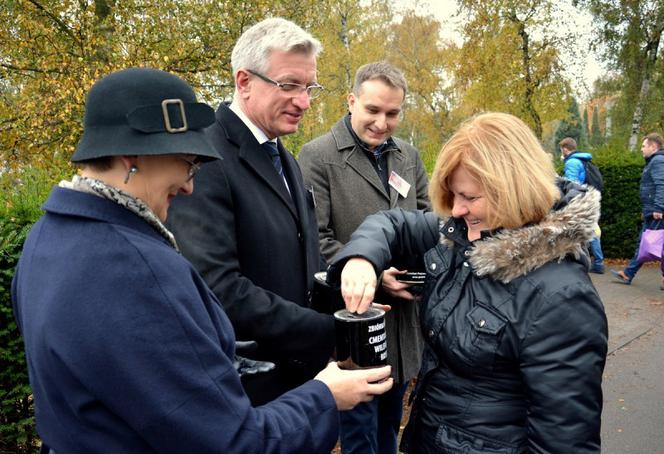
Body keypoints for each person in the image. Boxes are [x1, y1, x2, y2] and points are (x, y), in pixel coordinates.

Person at [11, 67, 393, 453]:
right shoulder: (139, 269)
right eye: (188, 163)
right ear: (133, 157)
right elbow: (235, 443)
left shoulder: (45, 240)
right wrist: (324, 396)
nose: (191, 184)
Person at [327, 112, 608, 453]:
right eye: (454, 195)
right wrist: (362, 259)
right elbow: (394, 223)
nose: (456, 210)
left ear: (514, 188)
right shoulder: (463, 234)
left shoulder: (561, 297)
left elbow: (564, 440)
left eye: (470, 197)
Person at [167, 18, 334, 405]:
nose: (304, 101)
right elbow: (217, 287)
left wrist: (350, 291)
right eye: (289, 85)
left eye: (309, 87)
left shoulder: (284, 157)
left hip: (298, 386)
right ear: (244, 82)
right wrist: (325, 329)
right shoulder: (206, 158)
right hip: (248, 394)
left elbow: (302, 257)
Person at [298, 61, 430, 454]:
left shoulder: (409, 157)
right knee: (359, 435)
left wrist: (415, 275)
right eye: (373, 110)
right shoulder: (317, 155)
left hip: (403, 323)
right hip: (353, 323)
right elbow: (314, 239)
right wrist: (370, 272)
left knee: (390, 426)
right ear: (351, 101)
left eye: (393, 113)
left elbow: (424, 224)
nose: (382, 122)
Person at [611, 132, 664, 290]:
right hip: (652, 211)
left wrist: (658, 208)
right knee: (649, 243)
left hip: (657, 212)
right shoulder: (655, 161)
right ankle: (629, 273)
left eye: (643, 146)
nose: (641, 149)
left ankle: (629, 273)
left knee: (649, 244)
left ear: (653, 147)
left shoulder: (658, 161)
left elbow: (662, 185)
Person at [559, 137, 605, 273]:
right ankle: (598, 262)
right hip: (588, 198)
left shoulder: (572, 162)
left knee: (586, 231)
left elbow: (571, 184)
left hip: (579, 201)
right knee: (591, 230)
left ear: (565, 149)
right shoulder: (582, 159)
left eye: (561, 150)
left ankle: (594, 262)